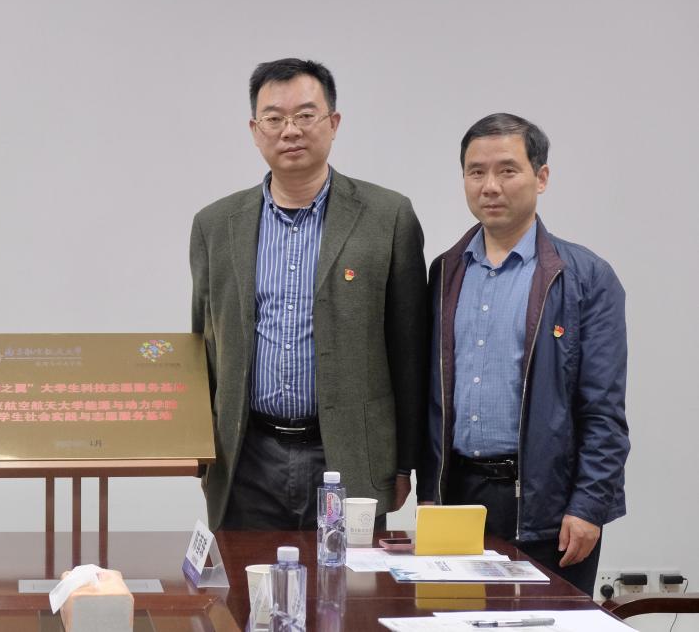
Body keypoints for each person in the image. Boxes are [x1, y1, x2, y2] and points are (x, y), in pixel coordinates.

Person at [190, 58, 428, 531]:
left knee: (350, 580)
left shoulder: (388, 217)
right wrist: (200, 451)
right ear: (255, 130)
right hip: (247, 457)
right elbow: (203, 348)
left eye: (305, 115)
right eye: (274, 118)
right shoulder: (216, 225)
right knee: (246, 579)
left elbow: (410, 351)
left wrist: (405, 463)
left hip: (348, 454)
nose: (290, 130)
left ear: (333, 123)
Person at [417, 113, 628, 595]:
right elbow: (429, 395)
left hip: (549, 506)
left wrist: (588, 506)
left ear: (541, 176)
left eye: (507, 170)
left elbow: (604, 410)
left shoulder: (585, 278)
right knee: (453, 620)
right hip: (458, 502)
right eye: (476, 172)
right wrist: (429, 489)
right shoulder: (444, 273)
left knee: (544, 622)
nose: (490, 186)